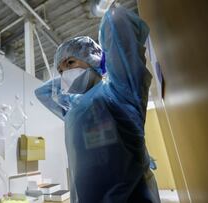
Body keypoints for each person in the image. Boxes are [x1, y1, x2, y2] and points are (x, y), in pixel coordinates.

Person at [35, 3, 160, 203]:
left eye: (70, 63)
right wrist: (68, 74)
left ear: (93, 57)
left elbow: (118, 20)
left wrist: (102, 62)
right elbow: (41, 93)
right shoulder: (73, 109)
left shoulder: (119, 92)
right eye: (60, 71)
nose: (65, 73)